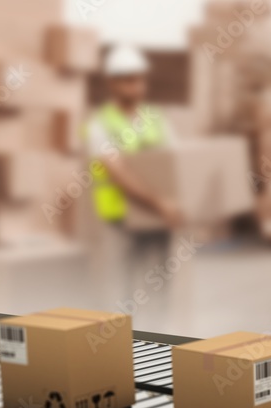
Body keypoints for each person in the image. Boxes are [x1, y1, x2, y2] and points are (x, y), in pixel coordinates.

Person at [84, 45, 182, 301]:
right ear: (112, 83)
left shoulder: (157, 118)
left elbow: (176, 164)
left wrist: (174, 205)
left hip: (156, 221)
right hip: (120, 221)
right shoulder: (99, 124)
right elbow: (116, 170)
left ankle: (157, 339)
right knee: (123, 293)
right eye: (128, 80)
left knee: (158, 291)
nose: (136, 86)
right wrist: (160, 203)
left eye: (140, 79)